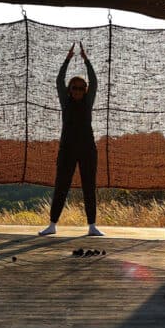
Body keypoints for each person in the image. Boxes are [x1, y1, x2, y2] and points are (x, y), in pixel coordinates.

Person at [39, 42, 104, 237]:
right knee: (61, 186)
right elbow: (59, 80)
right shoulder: (65, 102)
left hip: (87, 149)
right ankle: (52, 224)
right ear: (70, 90)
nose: (78, 91)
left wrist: (87, 61)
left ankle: (92, 225)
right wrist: (67, 60)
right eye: (74, 88)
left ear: (85, 90)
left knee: (89, 187)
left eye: (81, 88)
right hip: (67, 149)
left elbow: (94, 81)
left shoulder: (88, 101)